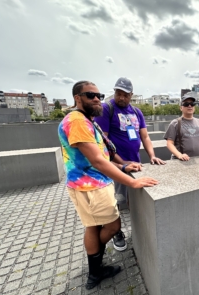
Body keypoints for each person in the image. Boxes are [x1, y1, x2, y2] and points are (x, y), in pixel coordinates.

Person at [58, 80, 158, 289]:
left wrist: (123, 167)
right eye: (90, 95)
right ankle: (95, 267)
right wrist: (133, 181)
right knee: (113, 226)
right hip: (89, 185)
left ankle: (95, 270)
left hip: (92, 183)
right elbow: (96, 160)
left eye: (98, 95)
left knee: (94, 226)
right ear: (78, 98)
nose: (96, 99)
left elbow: (102, 154)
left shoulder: (86, 119)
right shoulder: (77, 121)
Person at [95, 77, 165, 252]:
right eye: (118, 93)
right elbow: (103, 141)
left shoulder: (136, 112)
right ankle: (116, 233)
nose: (121, 97)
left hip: (134, 163)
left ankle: (138, 231)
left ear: (131, 95)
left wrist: (152, 155)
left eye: (125, 94)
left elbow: (145, 136)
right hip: (114, 165)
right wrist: (121, 162)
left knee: (132, 199)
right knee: (114, 202)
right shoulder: (106, 109)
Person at [164, 92, 199, 160]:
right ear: (181, 108)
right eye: (186, 104)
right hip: (181, 161)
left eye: (192, 104)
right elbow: (169, 143)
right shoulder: (175, 123)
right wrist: (180, 155)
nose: (189, 106)